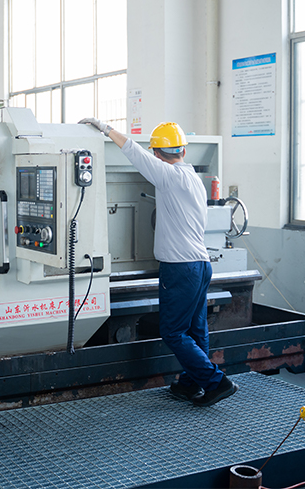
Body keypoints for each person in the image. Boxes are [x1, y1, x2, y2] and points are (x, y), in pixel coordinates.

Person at [79, 117, 237, 406]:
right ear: (184, 151)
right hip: (201, 264)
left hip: (180, 268)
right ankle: (190, 384)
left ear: (156, 154)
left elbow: (133, 151)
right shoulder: (194, 179)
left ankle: (216, 382)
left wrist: (104, 128)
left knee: (173, 332)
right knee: (196, 330)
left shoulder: (167, 175)